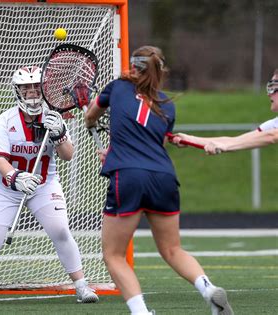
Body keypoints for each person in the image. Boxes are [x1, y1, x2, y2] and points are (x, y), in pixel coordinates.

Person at [81, 46, 234, 315]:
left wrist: (105, 142)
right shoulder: (167, 104)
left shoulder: (116, 87)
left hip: (128, 176)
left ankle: (141, 312)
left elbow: (90, 116)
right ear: (159, 71)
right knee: (173, 249)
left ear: (133, 66)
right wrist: (114, 151)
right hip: (163, 176)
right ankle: (208, 289)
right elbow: (153, 142)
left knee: (114, 255)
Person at [0, 66, 99, 304]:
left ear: (43, 89)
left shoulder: (53, 117)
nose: (31, 92)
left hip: (43, 184)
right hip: (4, 188)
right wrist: (16, 177)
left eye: (35, 87)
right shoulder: (5, 120)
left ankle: (81, 286)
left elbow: (68, 155)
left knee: (60, 230)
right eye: (25, 88)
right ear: (17, 91)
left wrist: (60, 133)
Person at [171, 69, 278, 154]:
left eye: (273, 88)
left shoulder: (272, 132)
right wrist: (190, 139)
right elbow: (235, 141)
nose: (269, 94)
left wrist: (226, 147)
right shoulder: (274, 124)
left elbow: (271, 136)